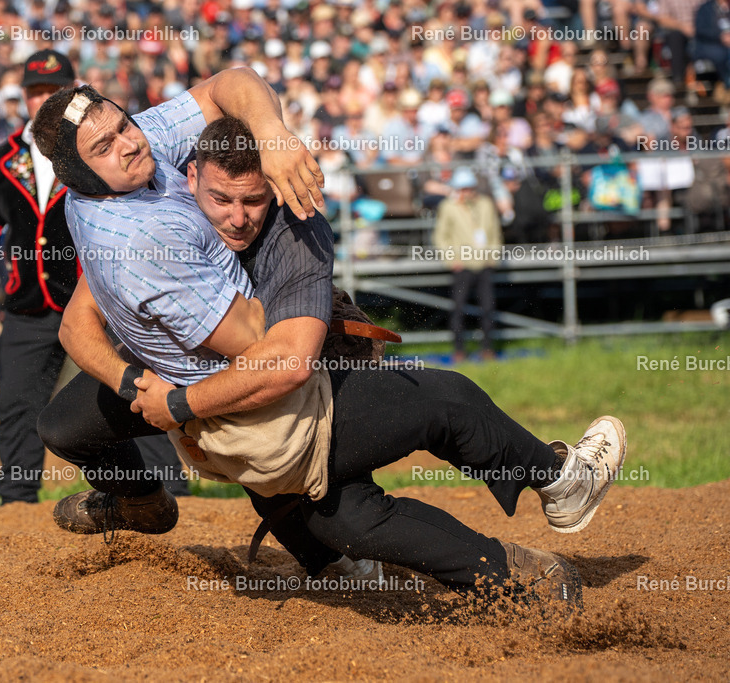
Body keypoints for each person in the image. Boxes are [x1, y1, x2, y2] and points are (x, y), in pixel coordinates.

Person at [32, 80, 625, 608]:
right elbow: (279, 361)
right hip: (251, 410)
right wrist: (181, 396)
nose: (237, 218)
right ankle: (558, 482)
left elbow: (231, 84)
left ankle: (415, 570)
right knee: (437, 400)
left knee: (342, 516)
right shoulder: (161, 235)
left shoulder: (121, 186)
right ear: (192, 179)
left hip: (215, 422)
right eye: (221, 201)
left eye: (124, 127)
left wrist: (150, 388)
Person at [0, 49, 184, 505]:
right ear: (22, 96)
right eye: (35, 91)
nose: (42, 99)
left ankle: (168, 489)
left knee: (136, 388)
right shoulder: (0, 160)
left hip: (103, 303)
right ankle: (16, 499)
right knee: (17, 402)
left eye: (53, 90)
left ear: (74, 94)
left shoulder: (98, 153)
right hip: (27, 301)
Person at [433, 167, 502, 361]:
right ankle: (459, 350)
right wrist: (452, 259)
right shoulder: (448, 207)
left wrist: (492, 256)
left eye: (469, 188)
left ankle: (487, 348)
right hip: (462, 265)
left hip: (484, 263)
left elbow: (495, 232)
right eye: (463, 189)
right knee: (458, 308)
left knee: (488, 307)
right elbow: (441, 236)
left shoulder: (486, 204)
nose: (467, 193)